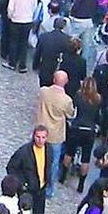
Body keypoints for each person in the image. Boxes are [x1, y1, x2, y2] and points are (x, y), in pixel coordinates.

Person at [37, 70, 77, 199]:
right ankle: (49, 189)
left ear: (54, 79)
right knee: (53, 163)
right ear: (66, 82)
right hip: (55, 134)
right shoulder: (66, 100)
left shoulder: (43, 91)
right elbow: (71, 115)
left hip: (41, 130)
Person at [6, 125, 51, 214]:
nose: (40, 140)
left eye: (43, 137)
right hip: (27, 189)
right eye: (38, 137)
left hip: (41, 188)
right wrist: (22, 184)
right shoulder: (24, 151)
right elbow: (11, 167)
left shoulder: (48, 149)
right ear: (33, 136)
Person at [65, 77, 103, 192]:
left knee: (69, 152)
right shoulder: (98, 98)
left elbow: (73, 111)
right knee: (86, 158)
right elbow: (99, 116)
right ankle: (81, 184)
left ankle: (63, 175)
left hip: (77, 127)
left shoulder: (78, 95)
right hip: (89, 130)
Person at [4, 0, 40, 72]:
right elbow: (34, 6)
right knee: (24, 43)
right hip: (27, 19)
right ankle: (22, 65)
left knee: (14, 41)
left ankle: (12, 62)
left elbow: (11, 6)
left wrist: (10, 16)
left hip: (16, 19)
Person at [34, 17, 73, 86]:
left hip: (45, 67)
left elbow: (38, 52)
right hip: (58, 69)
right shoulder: (67, 39)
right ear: (64, 26)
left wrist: (35, 65)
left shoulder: (44, 36)